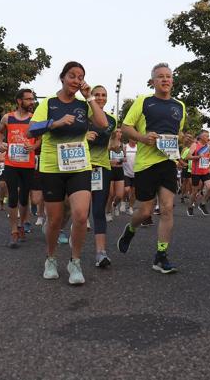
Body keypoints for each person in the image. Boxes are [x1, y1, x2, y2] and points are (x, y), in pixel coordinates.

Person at [28, 61, 107, 283]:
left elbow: (102, 123)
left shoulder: (83, 105)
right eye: (72, 76)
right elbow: (30, 130)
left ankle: (75, 262)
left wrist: (90, 97)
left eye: (80, 77)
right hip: (52, 167)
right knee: (55, 220)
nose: (76, 80)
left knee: (81, 215)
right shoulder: (49, 104)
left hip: (79, 165)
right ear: (62, 78)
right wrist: (55, 122)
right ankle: (51, 258)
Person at [116, 62, 186, 273]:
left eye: (168, 76)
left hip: (167, 163)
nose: (165, 79)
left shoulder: (179, 106)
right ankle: (130, 229)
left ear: (172, 80)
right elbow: (126, 127)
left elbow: (175, 135)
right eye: (160, 76)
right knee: (145, 211)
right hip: (146, 164)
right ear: (153, 81)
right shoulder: (143, 101)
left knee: (166, 208)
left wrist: (183, 141)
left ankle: (161, 256)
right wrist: (143, 138)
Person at [0, 88, 40, 248]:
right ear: (19, 101)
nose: (32, 102)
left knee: (24, 198)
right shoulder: (8, 118)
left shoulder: (35, 119)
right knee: (13, 196)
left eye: (32, 99)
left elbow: (40, 140)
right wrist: (0, 144)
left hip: (28, 164)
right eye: (28, 99)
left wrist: (33, 146)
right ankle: (13, 231)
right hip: (11, 163)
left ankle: (22, 225)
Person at [86, 85, 118, 267]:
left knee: (98, 210)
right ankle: (57, 228)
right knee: (76, 211)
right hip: (80, 167)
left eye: (103, 95)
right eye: (96, 94)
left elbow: (107, 141)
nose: (100, 97)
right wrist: (83, 135)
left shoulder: (111, 120)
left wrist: (115, 144)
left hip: (101, 168)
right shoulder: (82, 116)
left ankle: (101, 253)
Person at [186, 130, 210, 216]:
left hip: (206, 170)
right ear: (201, 137)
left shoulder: (207, 146)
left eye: (208, 136)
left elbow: (208, 157)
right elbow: (188, 156)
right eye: (206, 136)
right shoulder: (195, 145)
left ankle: (202, 204)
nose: (208, 138)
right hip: (196, 172)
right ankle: (190, 207)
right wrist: (197, 156)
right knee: (194, 192)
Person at [123, 138, 137, 215]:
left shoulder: (138, 148)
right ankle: (123, 201)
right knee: (127, 190)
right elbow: (120, 158)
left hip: (135, 173)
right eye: (133, 138)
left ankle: (130, 207)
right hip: (126, 172)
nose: (135, 139)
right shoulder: (125, 147)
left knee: (134, 192)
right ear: (129, 139)